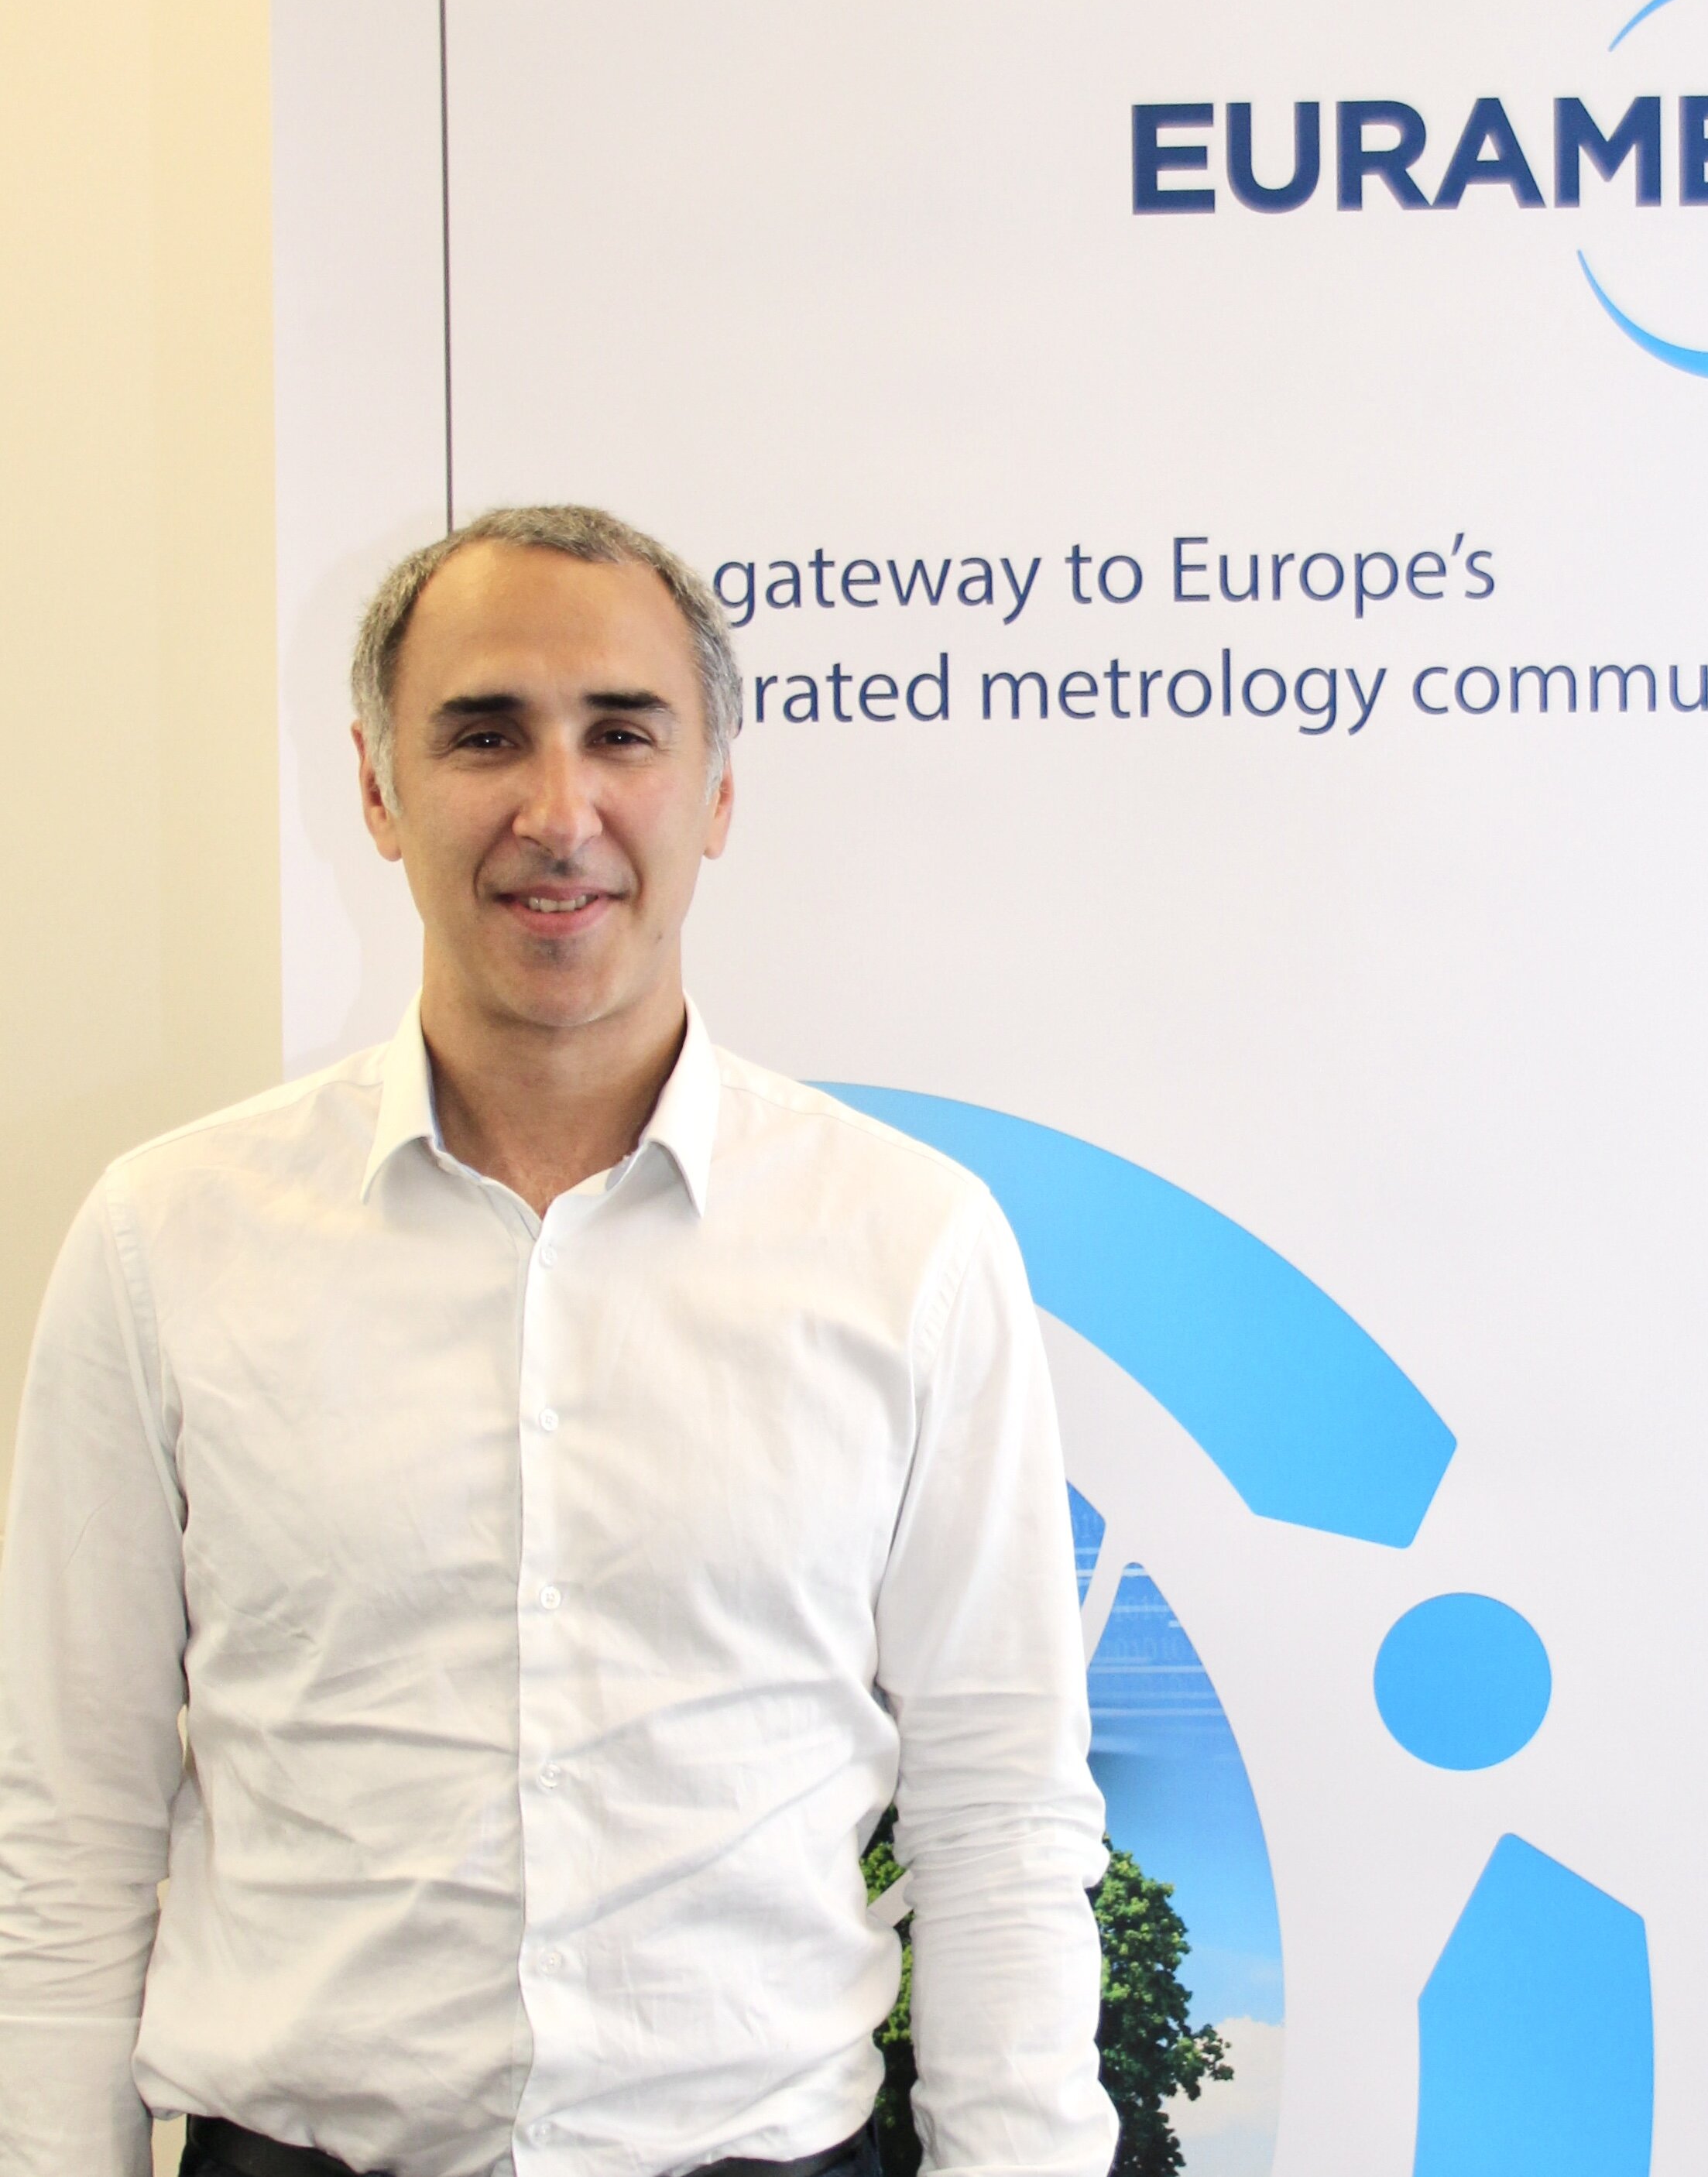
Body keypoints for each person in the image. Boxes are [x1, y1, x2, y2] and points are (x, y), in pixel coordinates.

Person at [0, 506, 1117, 2177]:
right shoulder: (167, 1240)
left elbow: (1000, 1818)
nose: (557, 809)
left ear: (716, 792)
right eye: (483, 734)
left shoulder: (910, 1245)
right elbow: (67, 1834)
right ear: (377, 788)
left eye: (622, 733)